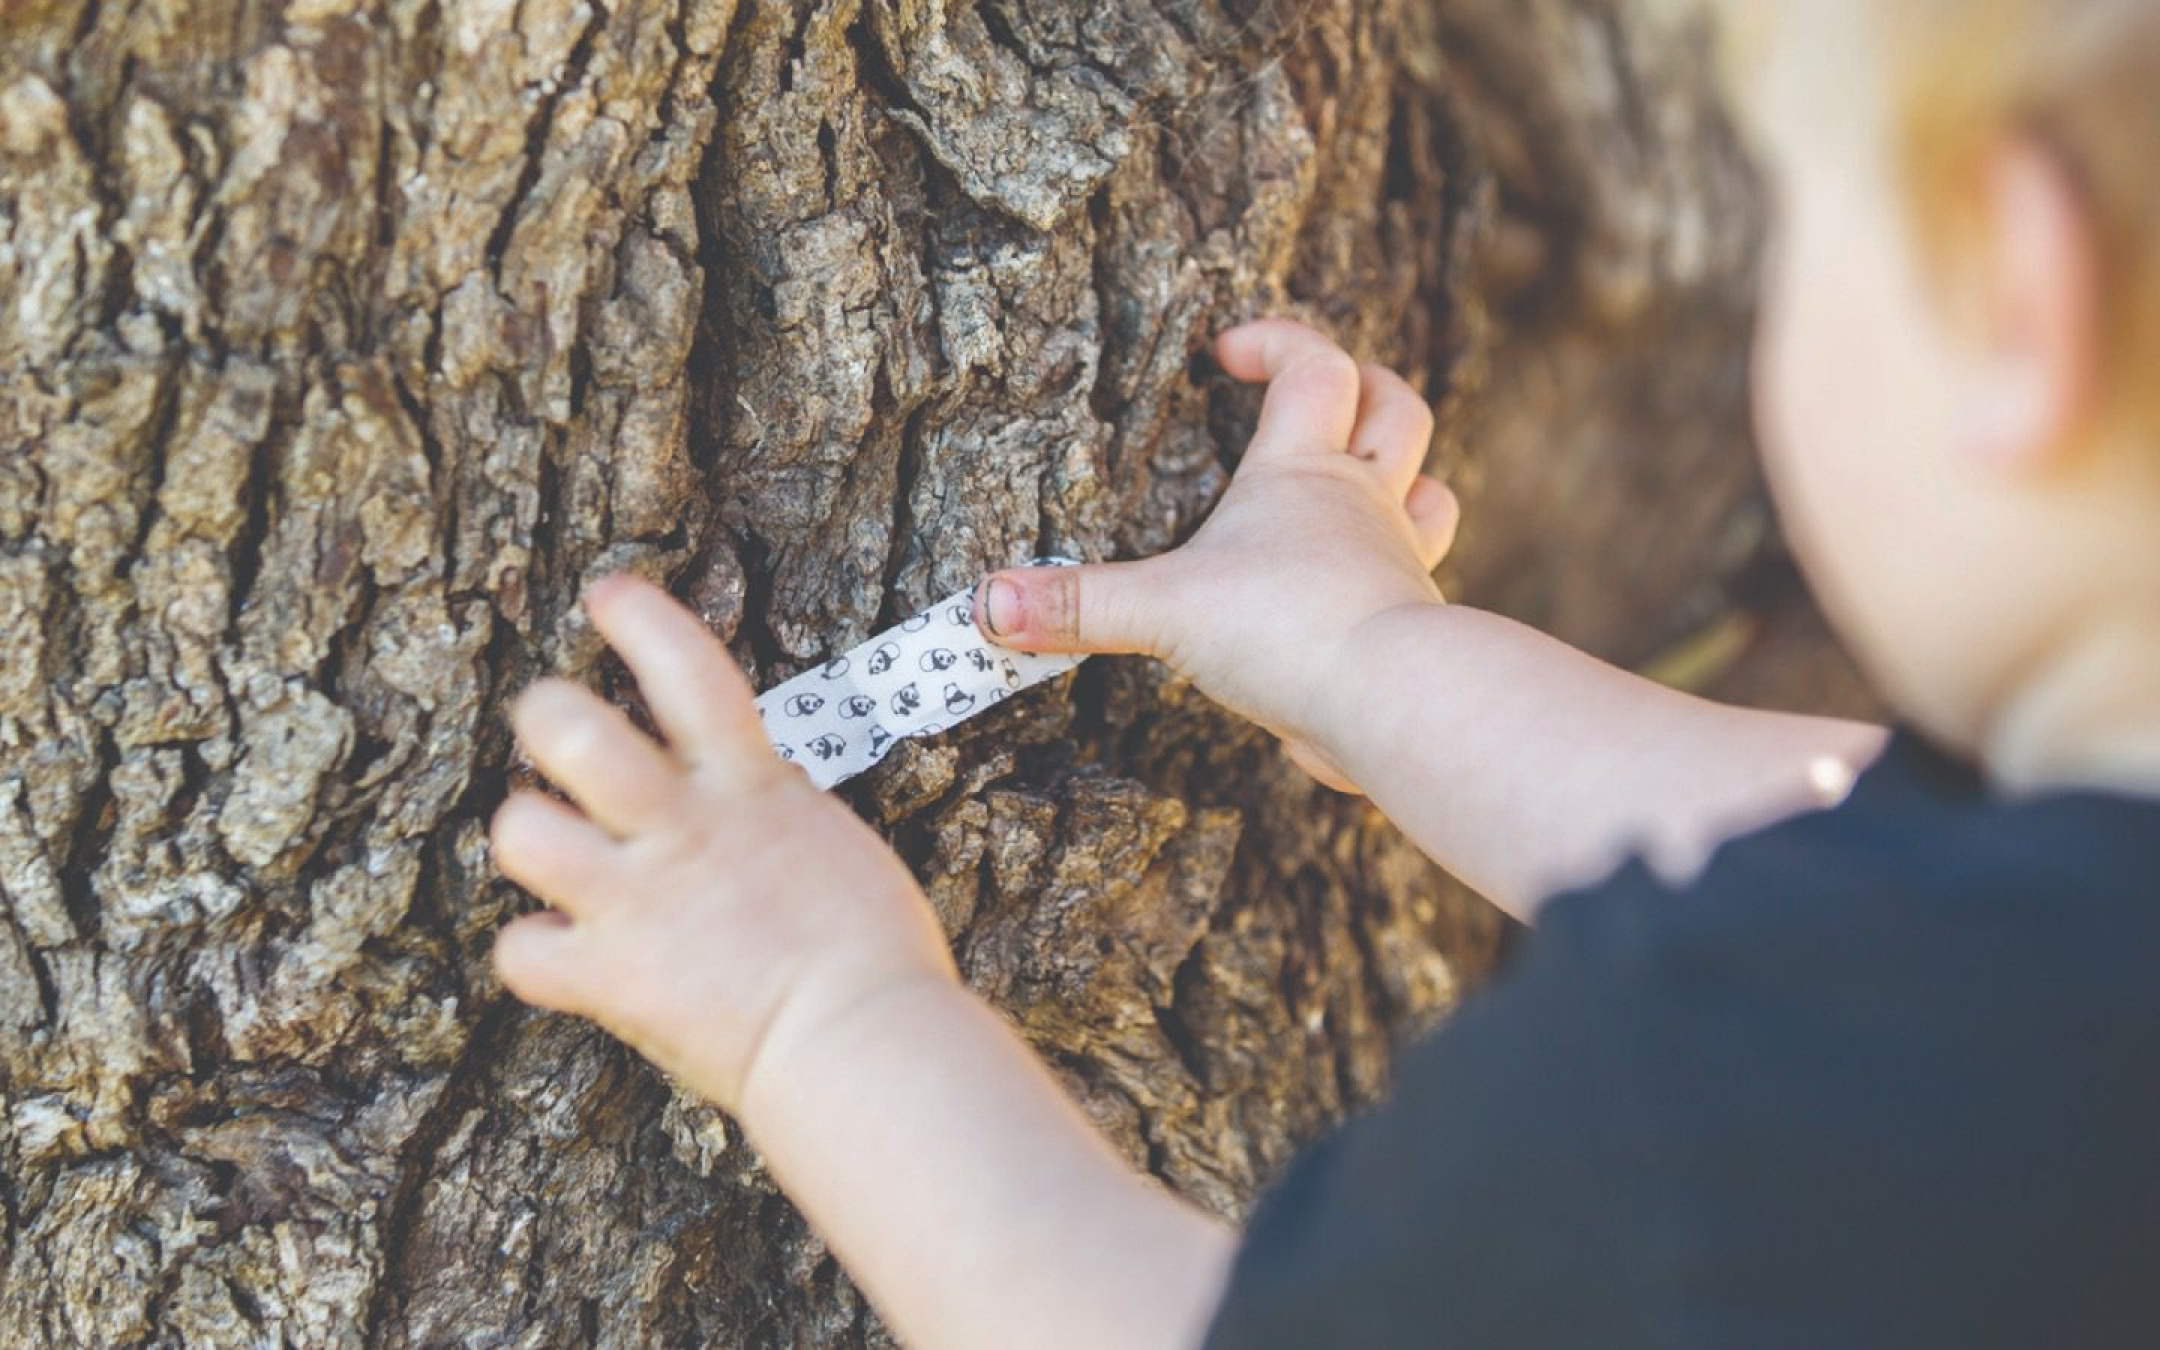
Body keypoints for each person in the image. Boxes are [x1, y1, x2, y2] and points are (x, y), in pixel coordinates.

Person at [484, 0, 2160, 1344]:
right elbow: (1834, 853)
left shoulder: (1709, 1119)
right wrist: (1370, 654)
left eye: (1798, 213)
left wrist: (819, 1012)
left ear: (2014, 291)